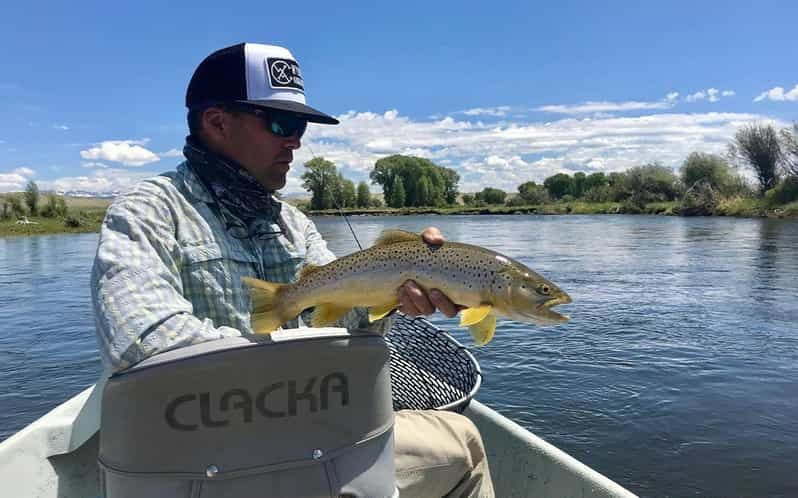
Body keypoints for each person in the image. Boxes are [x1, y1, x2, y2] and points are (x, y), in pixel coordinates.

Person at [91, 42, 494, 498]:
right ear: (217, 123)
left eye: (300, 126)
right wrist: (283, 370)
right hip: (199, 466)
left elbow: (343, 324)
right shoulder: (147, 210)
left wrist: (399, 291)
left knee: (464, 442)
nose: (296, 141)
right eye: (282, 123)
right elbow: (142, 344)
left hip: (314, 443)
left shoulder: (295, 224)